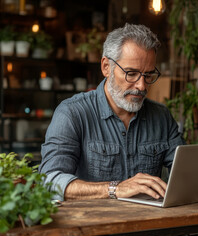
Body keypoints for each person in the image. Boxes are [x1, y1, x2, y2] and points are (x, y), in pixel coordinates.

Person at [39, 23, 185, 201]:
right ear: (106, 67)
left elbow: (186, 172)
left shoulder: (160, 116)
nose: (141, 86)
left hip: (149, 224)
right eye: (131, 73)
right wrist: (115, 189)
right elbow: (50, 181)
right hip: (95, 226)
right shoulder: (72, 113)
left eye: (148, 75)